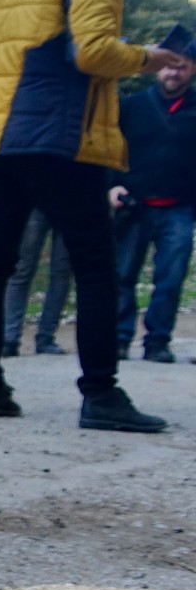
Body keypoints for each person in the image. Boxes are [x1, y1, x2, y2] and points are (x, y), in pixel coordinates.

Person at [0, 0, 187, 430]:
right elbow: (93, 52)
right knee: (95, 263)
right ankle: (101, 394)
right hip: (58, 134)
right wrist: (150, 58)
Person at [112, 58, 196, 362]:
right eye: (168, 66)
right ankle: (119, 338)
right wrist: (112, 185)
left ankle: (158, 341)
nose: (174, 72)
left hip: (180, 209)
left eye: (182, 66)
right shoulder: (133, 106)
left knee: (171, 279)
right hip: (134, 205)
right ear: (157, 68)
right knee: (122, 275)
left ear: (193, 69)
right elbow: (112, 148)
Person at [2, 212, 72, 357]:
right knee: (22, 269)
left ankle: (44, 337)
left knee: (61, 272)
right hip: (37, 201)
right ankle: (10, 337)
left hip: (68, 201)